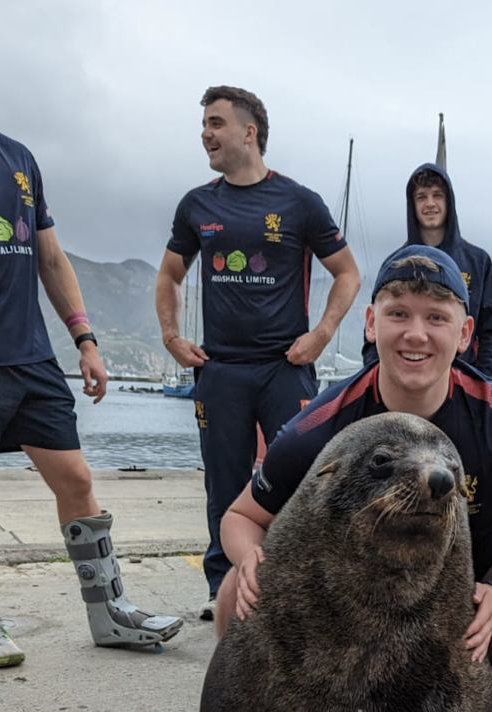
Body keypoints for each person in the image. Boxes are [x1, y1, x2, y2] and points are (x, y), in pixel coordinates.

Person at [217, 247, 492, 712]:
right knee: (239, 586)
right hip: (356, 569)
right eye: (399, 314)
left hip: (474, 553)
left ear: (464, 333)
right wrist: (249, 556)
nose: (416, 334)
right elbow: (241, 516)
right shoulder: (321, 426)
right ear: (371, 324)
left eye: (437, 317)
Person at [0, 15, 182, 667]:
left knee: (77, 477)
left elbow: (51, 259)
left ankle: (110, 610)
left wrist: (83, 337)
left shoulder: (17, 158)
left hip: (31, 356)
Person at [156, 86, 361, 621]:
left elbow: (348, 273)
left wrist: (321, 334)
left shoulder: (298, 202)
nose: (206, 132)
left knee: (307, 475)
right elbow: (170, 275)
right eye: (204, 123)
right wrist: (172, 337)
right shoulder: (198, 204)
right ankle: (223, 586)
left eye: (217, 123)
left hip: (284, 369)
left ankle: (306, 579)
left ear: (249, 132)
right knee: (223, 482)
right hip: (220, 370)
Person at [362, 164, 492, 379]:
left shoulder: (478, 262)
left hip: (463, 386)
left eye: (437, 195)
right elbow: (375, 329)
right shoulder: (395, 264)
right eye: (421, 197)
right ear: (412, 204)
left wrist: (483, 381)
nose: (430, 203)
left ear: (449, 201)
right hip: (402, 385)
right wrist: (377, 379)